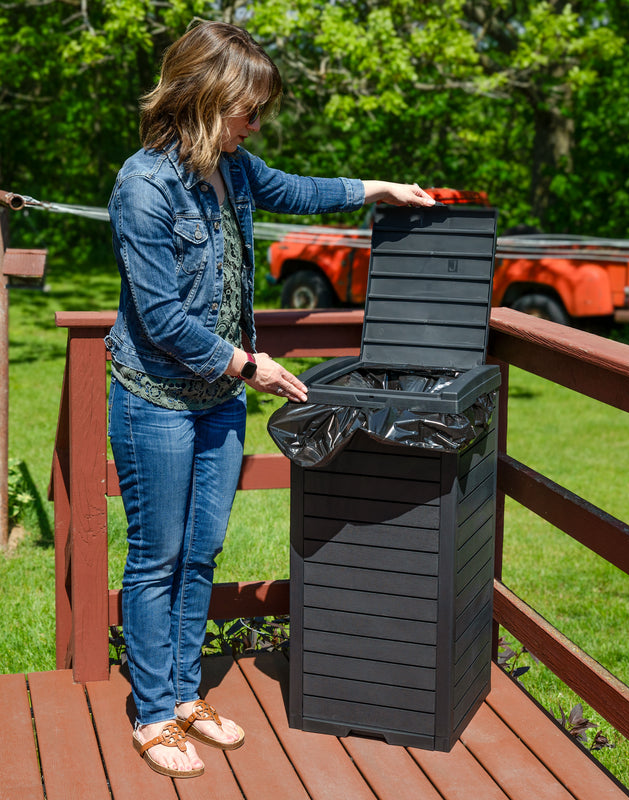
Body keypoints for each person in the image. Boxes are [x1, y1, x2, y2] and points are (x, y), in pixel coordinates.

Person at [105, 19, 434, 779]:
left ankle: (186, 694)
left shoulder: (236, 167)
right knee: (158, 556)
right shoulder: (142, 185)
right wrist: (249, 364)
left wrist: (375, 187)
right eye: (247, 110)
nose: (255, 125)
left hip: (218, 398)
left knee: (203, 550)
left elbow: (302, 189)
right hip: (155, 397)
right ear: (203, 97)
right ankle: (152, 713)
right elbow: (159, 318)